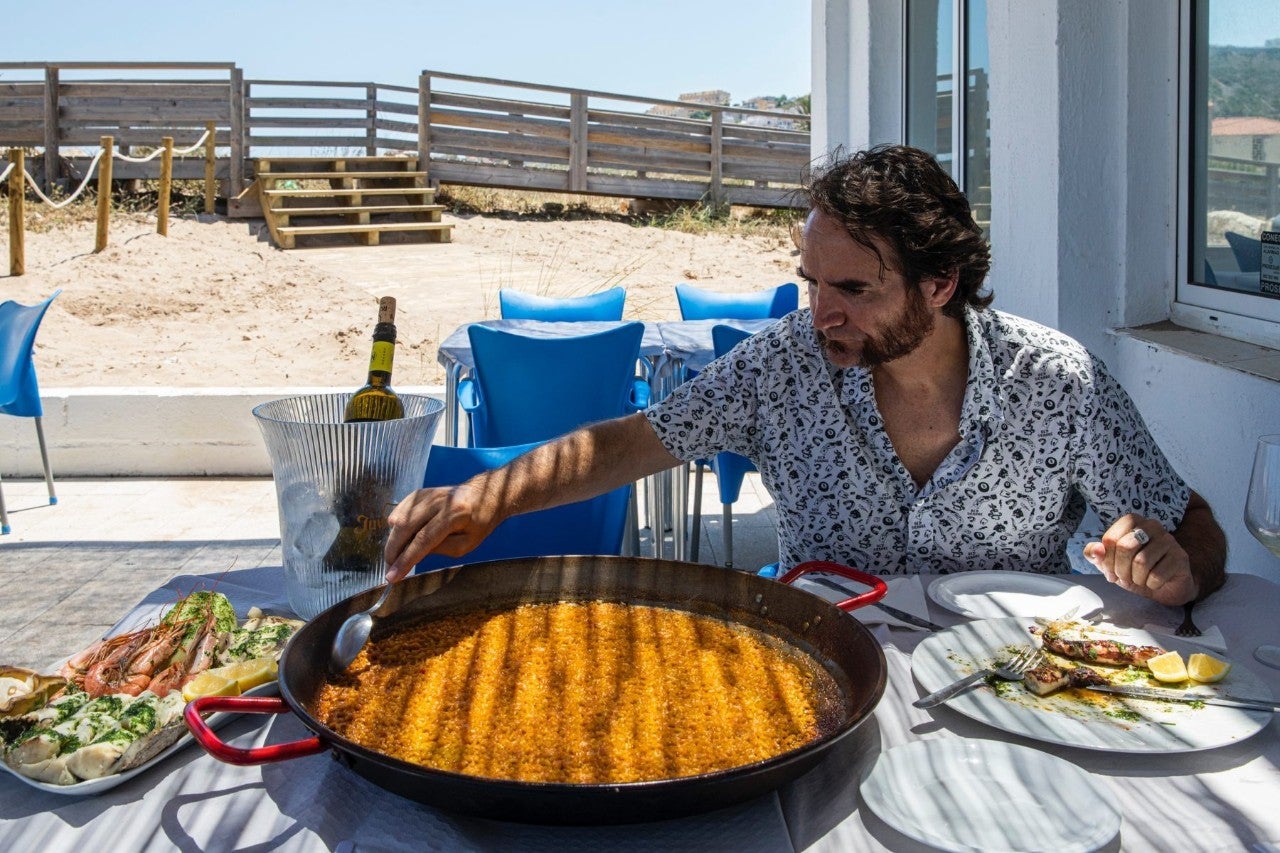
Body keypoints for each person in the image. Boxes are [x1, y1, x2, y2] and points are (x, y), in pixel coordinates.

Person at [384, 144, 1226, 607]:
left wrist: (1176, 564)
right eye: (810, 281)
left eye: (853, 289)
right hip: (834, 678)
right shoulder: (782, 363)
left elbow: (1190, 522)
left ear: (940, 285)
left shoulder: (1058, 380)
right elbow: (628, 444)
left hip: (1016, 696)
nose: (820, 311)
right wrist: (484, 496)